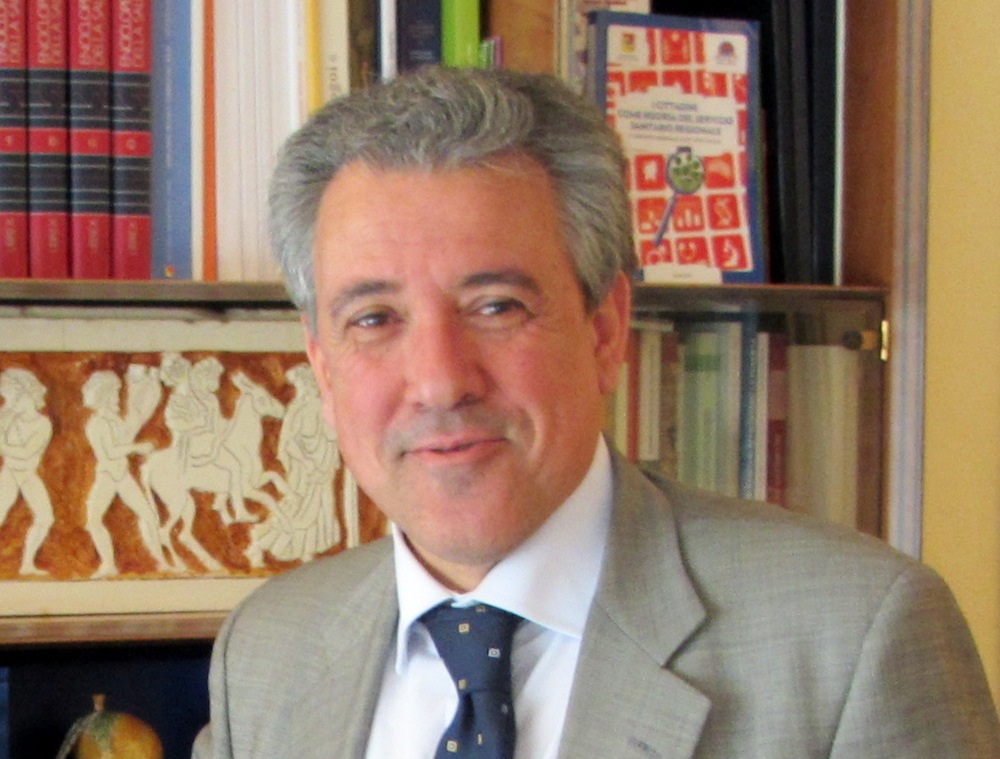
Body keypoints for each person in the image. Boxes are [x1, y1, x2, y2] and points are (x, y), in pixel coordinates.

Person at [193, 66, 999, 758]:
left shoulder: (854, 638)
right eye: (374, 319)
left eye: (496, 305)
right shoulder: (264, 654)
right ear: (322, 366)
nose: (439, 381)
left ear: (606, 330)